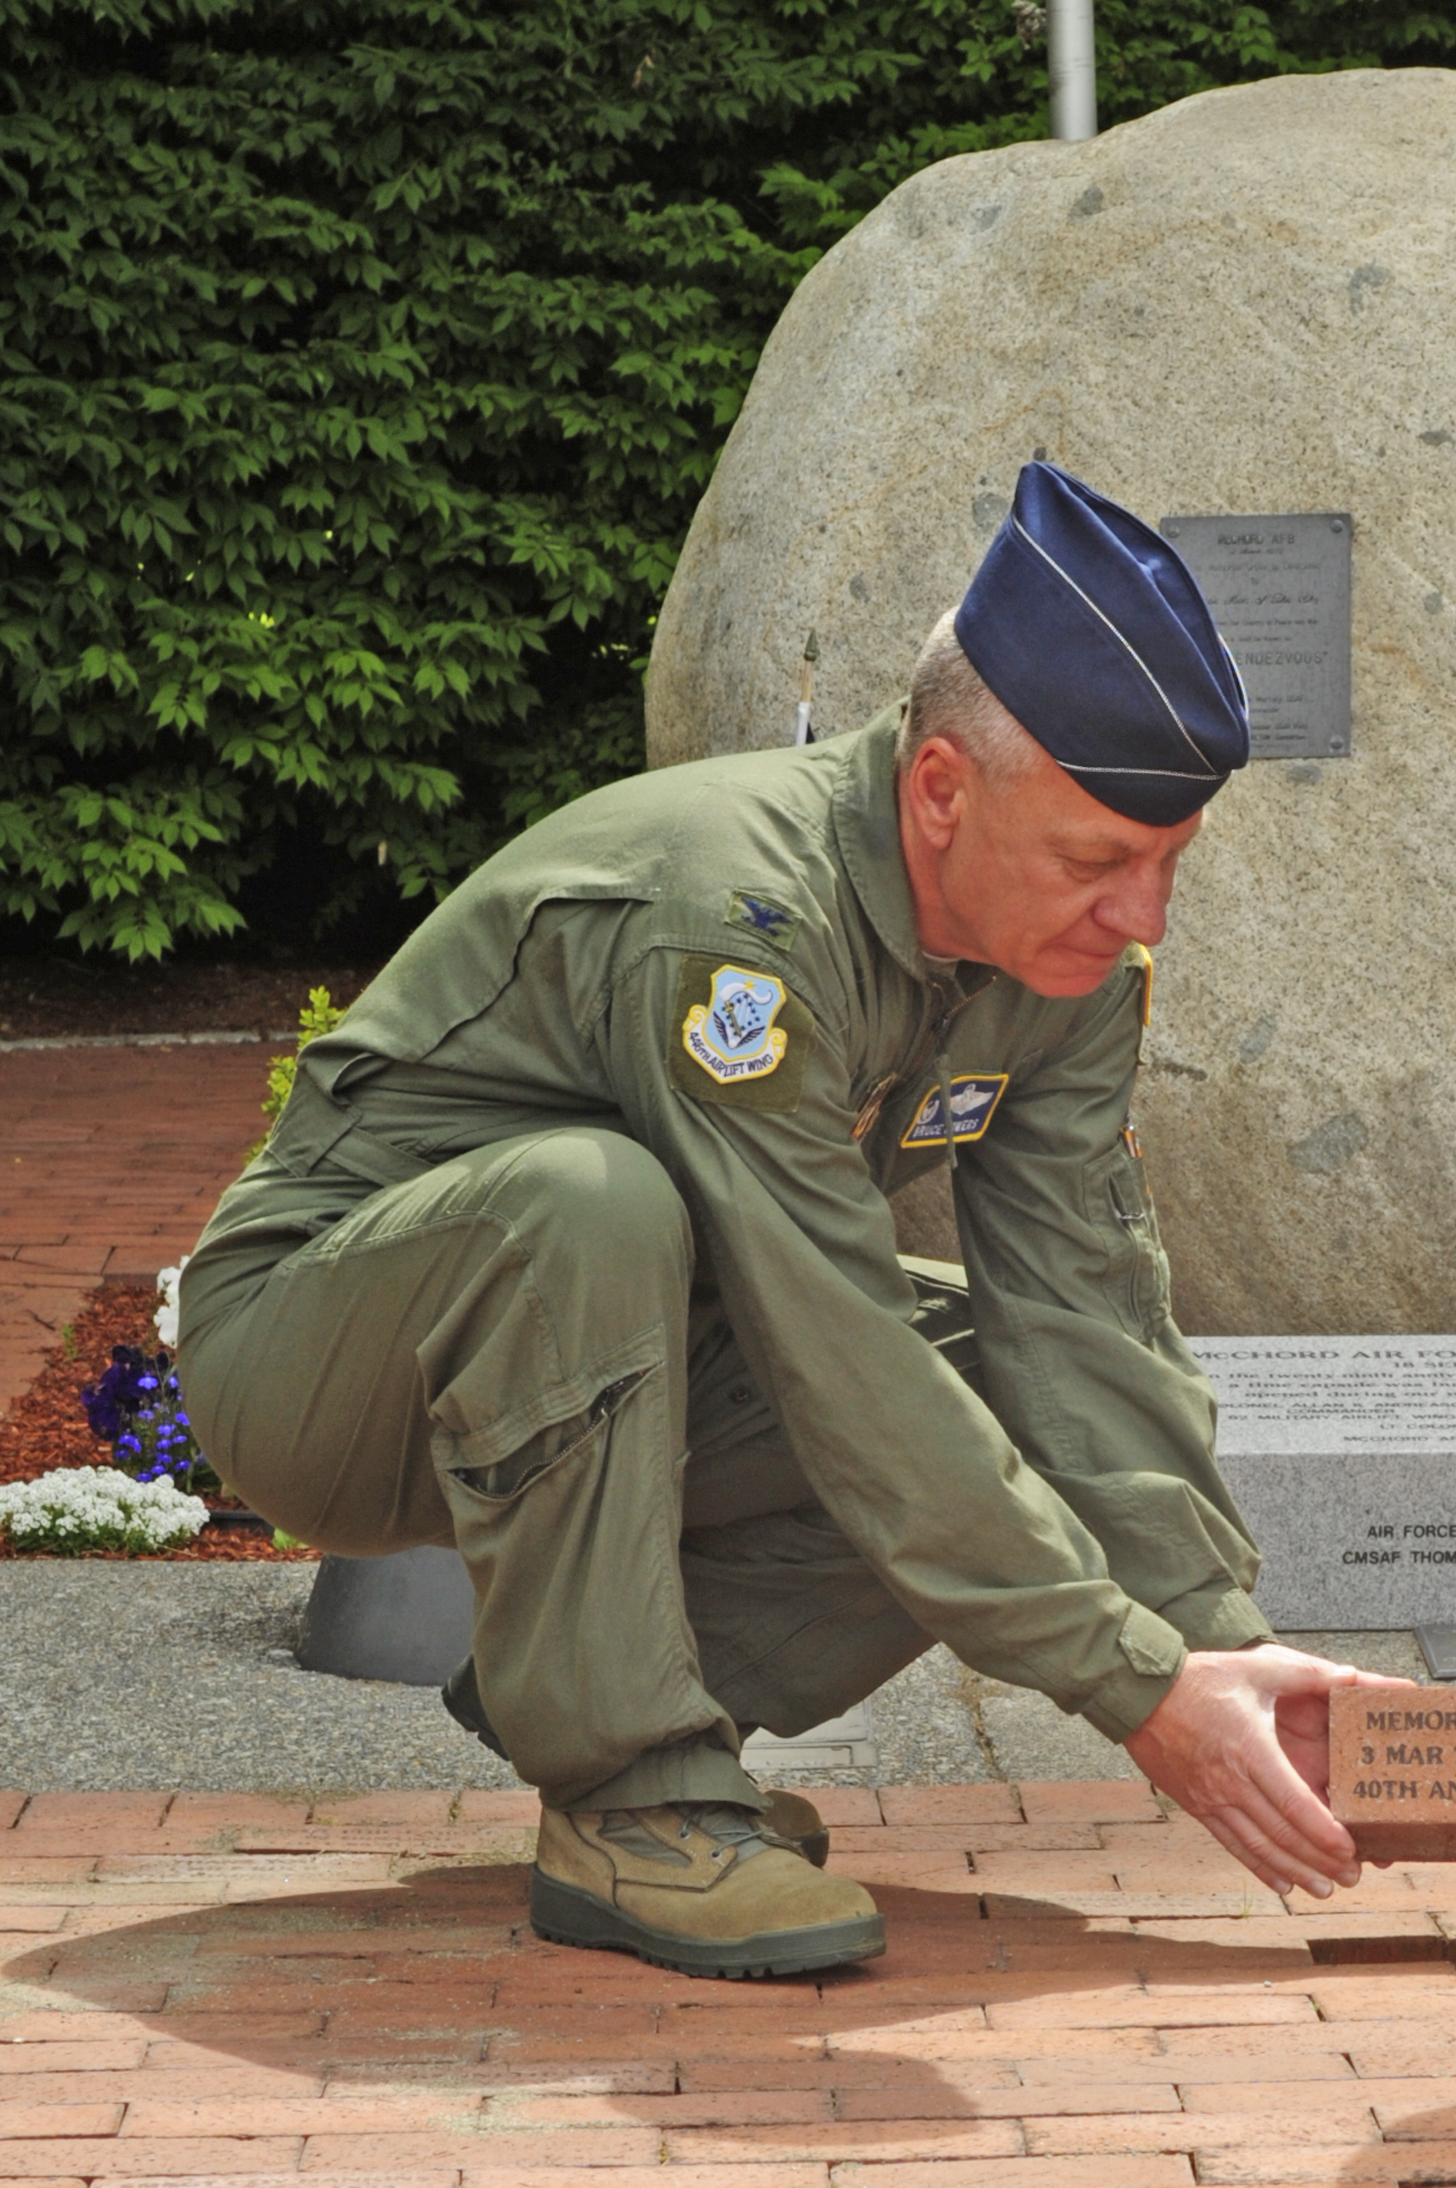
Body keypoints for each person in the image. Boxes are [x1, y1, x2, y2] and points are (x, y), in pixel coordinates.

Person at [177, 464, 1382, 1979]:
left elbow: (1081, 1320)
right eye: (1098, 861)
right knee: (595, 1205)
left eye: (1168, 865)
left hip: (616, 1356)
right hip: (319, 1364)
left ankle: (629, 1708)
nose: (1143, 917)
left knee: (988, 1360)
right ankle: (632, 1800)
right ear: (940, 789)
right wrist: (1135, 1687)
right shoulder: (739, 926)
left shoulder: (1062, 970)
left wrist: (1216, 1641)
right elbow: (834, 1346)